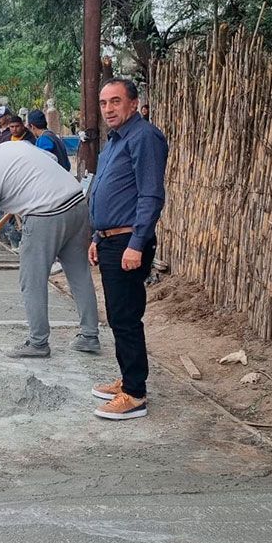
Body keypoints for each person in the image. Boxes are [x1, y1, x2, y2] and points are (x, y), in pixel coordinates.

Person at [0, 138, 99, 358]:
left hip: (46, 214)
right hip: (76, 202)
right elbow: (51, 158)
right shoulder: (11, 147)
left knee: (32, 279)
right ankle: (90, 336)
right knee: (79, 273)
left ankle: (38, 342)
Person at [88, 78, 169, 422]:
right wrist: (96, 236)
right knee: (118, 316)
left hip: (127, 242)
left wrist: (136, 243)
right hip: (109, 240)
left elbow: (150, 195)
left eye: (116, 101)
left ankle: (135, 394)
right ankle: (128, 379)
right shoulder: (114, 142)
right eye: (104, 103)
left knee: (125, 316)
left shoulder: (144, 137)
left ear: (134, 104)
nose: (108, 109)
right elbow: (111, 193)